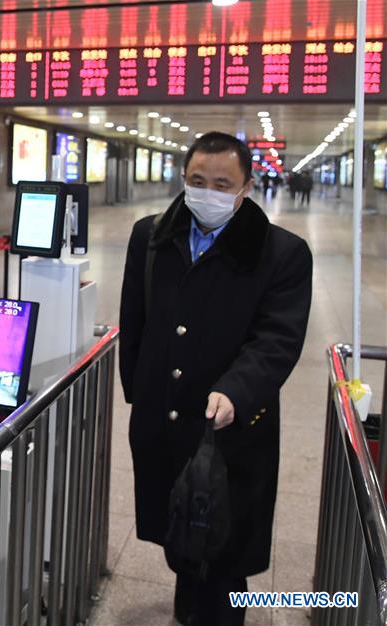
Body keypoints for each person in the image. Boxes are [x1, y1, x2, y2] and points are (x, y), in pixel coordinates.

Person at [119, 132, 312, 626]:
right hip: (164, 419)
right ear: (184, 179)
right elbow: (134, 320)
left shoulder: (282, 253)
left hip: (230, 433)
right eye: (198, 181)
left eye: (222, 183)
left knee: (223, 552)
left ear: (246, 187)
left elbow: (276, 340)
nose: (209, 192)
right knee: (180, 540)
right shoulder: (151, 237)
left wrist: (237, 389)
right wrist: (139, 394)